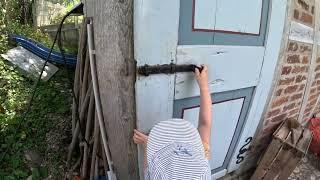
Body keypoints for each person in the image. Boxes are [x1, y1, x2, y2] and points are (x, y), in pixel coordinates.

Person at [133, 65, 213, 179]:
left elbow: (205, 125)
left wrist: (147, 144)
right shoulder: (201, 172)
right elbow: (205, 124)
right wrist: (204, 86)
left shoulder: (200, 165)